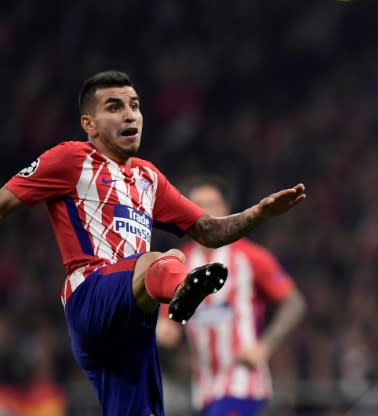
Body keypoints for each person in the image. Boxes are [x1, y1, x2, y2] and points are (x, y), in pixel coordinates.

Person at [0, 71, 307, 416]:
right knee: (163, 259)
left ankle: (179, 290)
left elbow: (208, 230)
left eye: (135, 105)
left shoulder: (149, 177)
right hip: (91, 295)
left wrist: (258, 213)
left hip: (135, 322)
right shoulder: (70, 158)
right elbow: (4, 202)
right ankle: (182, 290)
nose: (129, 114)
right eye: (114, 107)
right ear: (90, 124)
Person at [156, 176, 306, 416]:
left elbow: (294, 303)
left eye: (212, 204)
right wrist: (164, 331)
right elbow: (169, 326)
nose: (205, 212)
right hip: (204, 388)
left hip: (242, 382)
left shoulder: (249, 257)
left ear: (226, 209)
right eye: (197, 205)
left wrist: (264, 347)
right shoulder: (179, 264)